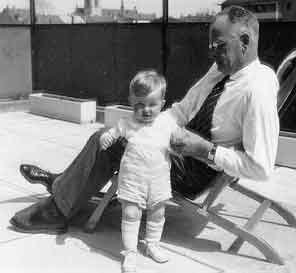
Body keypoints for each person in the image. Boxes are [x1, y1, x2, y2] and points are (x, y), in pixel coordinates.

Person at [10, 3, 279, 258]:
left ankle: (57, 209)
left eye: (218, 46)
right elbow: (181, 112)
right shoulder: (221, 68)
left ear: (245, 41)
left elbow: (261, 166)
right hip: (174, 146)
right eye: (211, 45)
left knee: (108, 142)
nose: (211, 52)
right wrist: (147, 127)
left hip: (194, 169)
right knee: (118, 132)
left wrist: (204, 150)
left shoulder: (257, 89)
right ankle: (65, 186)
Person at [99, 70, 178, 272]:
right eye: (139, 105)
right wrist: (106, 138)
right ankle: (130, 252)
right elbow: (110, 134)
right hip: (133, 179)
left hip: (159, 179)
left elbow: (179, 142)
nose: (146, 110)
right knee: (131, 214)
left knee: (158, 213)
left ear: (162, 103)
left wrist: (179, 147)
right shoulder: (126, 124)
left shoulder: (167, 124)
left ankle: (152, 244)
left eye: (152, 104)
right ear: (131, 102)